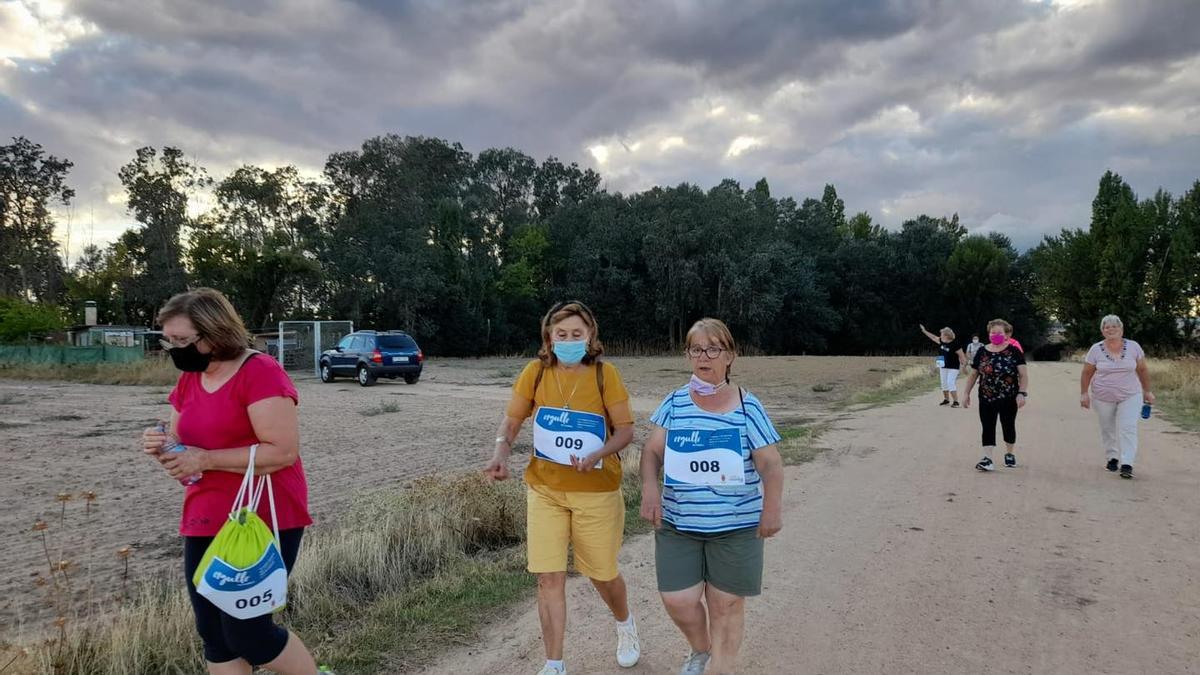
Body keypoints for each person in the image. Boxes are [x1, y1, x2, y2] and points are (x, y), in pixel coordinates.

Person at [140, 288, 322, 675]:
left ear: (215, 333)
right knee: (212, 630)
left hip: (261, 517)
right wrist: (167, 449)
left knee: (248, 632)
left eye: (182, 340)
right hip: (205, 511)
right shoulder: (190, 379)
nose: (173, 349)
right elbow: (185, 448)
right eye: (167, 340)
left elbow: (281, 451)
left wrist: (203, 458)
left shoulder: (260, 372)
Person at [484, 301, 641, 675]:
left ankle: (625, 624)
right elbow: (513, 418)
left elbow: (626, 431)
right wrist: (500, 452)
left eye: (577, 334)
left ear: (590, 337)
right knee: (549, 575)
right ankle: (554, 664)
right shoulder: (535, 373)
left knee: (602, 574)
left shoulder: (606, 375)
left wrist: (597, 453)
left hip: (596, 492)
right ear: (549, 338)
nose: (569, 340)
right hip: (545, 490)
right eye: (561, 334)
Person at [640, 318, 785, 675]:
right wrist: (649, 487)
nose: (704, 356)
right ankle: (701, 650)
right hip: (678, 523)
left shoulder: (749, 407)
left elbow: (770, 464)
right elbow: (652, 452)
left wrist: (772, 508)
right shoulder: (674, 402)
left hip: (736, 526)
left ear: (730, 355)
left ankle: (720, 667)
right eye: (696, 349)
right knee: (679, 600)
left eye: (713, 348)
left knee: (726, 604)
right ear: (688, 354)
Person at [1080, 314, 1155, 479]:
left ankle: (1127, 463)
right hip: (1103, 395)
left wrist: (1147, 391)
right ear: (1102, 331)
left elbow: (1142, 369)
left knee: (1128, 427)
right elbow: (1087, 372)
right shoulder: (1095, 349)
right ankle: (1112, 457)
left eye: (1115, 326)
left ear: (1121, 329)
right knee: (1108, 428)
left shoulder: (1134, 347)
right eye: (1107, 327)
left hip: (1130, 394)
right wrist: (1084, 393)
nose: (1111, 329)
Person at [963, 319, 1029, 471]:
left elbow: (1023, 375)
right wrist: (966, 393)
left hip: (1009, 396)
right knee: (987, 426)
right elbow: (973, 374)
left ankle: (1009, 453)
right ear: (989, 334)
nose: (996, 335)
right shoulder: (982, 351)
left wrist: (1021, 393)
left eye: (999, 333)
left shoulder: (1014, 352)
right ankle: (988, 459)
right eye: (993, 332)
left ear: (1006, 335)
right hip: (986, 396)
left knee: (1008, 425)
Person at [919, 324, 967, 407]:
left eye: (942, 334)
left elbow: (962, 357)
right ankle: (946, 400)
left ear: (946, 336)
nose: (940, 335)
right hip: (942, 364)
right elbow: (933, 337)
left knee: (950, 382)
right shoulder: (941, 341)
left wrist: (964, 367)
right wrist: (924, 331)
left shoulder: (955, 344)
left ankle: (956, 401)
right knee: (943, 383)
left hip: (953, 367)